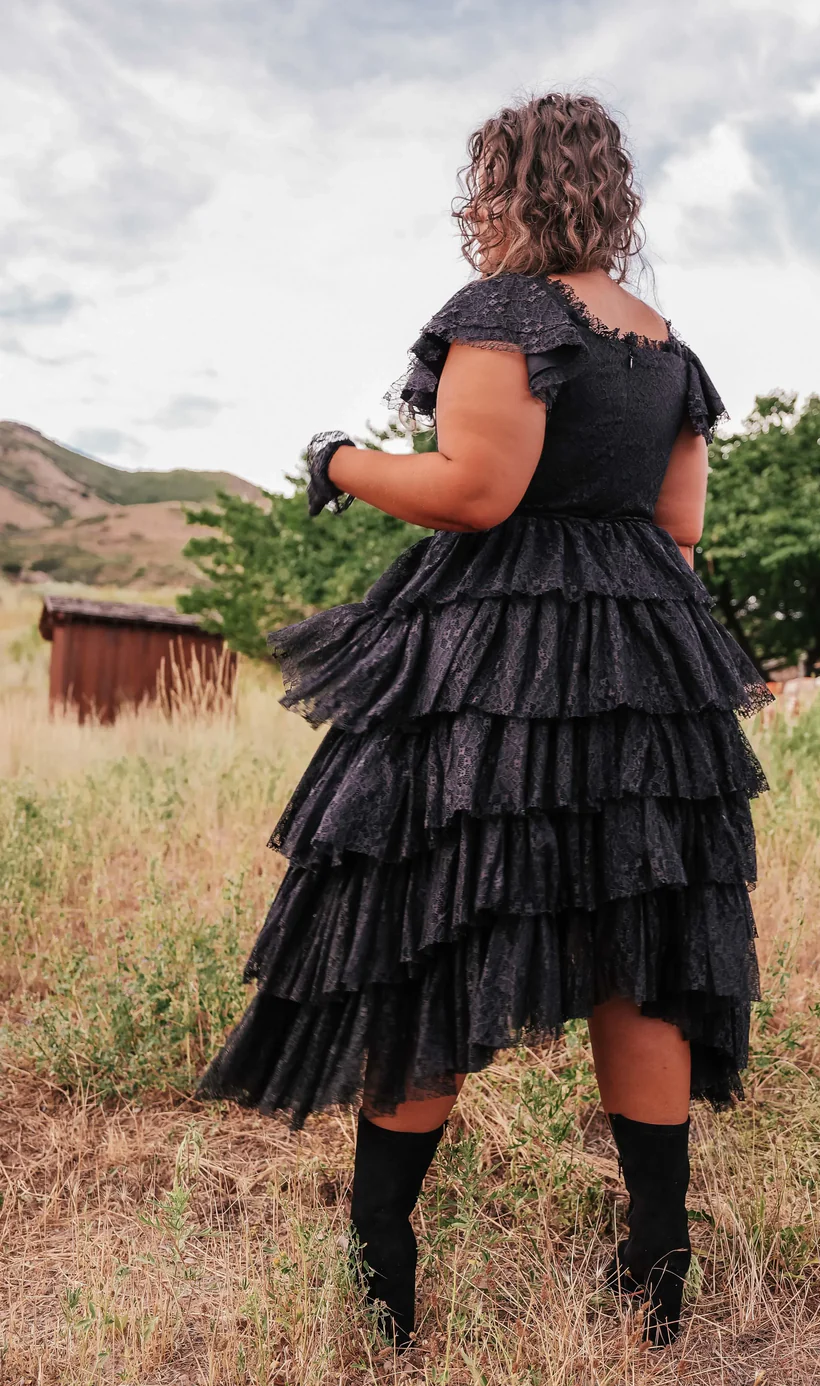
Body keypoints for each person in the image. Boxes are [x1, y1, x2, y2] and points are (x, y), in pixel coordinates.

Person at [197, 91, 770, 1352]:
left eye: (485, 187)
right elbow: (681, 529)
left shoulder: (507, 312)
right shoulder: (668, 348)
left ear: (509, 188)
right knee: (640, 947)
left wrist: (339, 459)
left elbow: (474, 489)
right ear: (609, 193)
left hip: (498, 660)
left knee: (432, 933)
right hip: (645, 664)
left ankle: (384, 1263)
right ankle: (658, 1261)